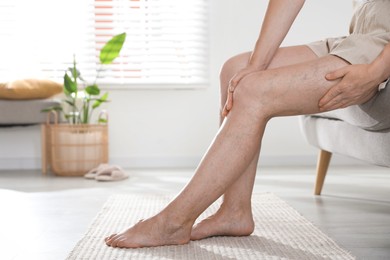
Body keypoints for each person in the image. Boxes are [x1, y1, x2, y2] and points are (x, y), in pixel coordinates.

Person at [105, 0, 390, 248]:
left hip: (382, 50)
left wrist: (376, 71)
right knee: (236, 70)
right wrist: (256, 64)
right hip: (362, 35)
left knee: (253, 93)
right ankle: (235, 211)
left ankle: (173, 222)